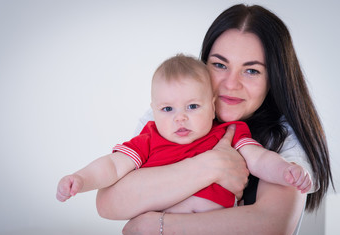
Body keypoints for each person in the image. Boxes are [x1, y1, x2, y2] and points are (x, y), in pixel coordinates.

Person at [95, 4, 334, 235]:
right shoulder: (172, 115)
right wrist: (210, 166)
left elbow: (269, 227)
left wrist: (159, 228)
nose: (231, 84)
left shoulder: (284, 136)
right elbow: (108, 202)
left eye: (251, 71)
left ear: (274, 78)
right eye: (220, 65)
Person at [56, 54, 312, 214]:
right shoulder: (149, 139)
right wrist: (80, 179)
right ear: (153, 111)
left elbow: (259, 159)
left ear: (212, 106)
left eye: (192, 106)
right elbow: (111, 167)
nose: (180, 117)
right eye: (167, 109)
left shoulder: (228, 133)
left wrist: (285, 171)